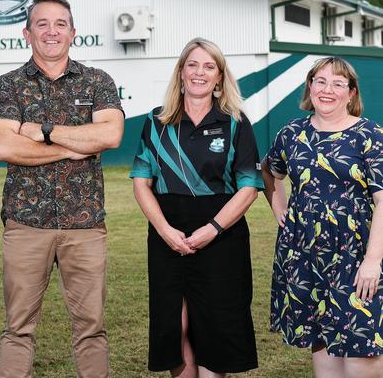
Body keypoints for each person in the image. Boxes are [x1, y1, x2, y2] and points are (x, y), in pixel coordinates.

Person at [0, 0, 124, 378]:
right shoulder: (9, 85)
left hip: (85, 226)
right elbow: (3, 146)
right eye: (42, 24)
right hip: (26, 224)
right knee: (18, 328)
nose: (51, 32)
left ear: (73, 33)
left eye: (60, 24)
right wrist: (74, 146)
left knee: (91, 328)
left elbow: (110, 136)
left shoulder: (97, 81)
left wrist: (44, 132)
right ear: (26, 33)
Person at [130, 37, 263, 377]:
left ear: (219, 77)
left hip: (221, 236)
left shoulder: (235, 122)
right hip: (167, 234)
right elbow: (141, 182)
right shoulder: (156, 122)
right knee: (174, 328)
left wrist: (213, 229)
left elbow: (249, 188)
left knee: (214, 330)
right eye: (193, 65)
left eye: (209, 66)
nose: (200, 73)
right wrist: (164, 231)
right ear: (181, 72)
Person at [262, 57, 383, 377]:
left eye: (338, 83)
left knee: (362, 349)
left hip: (356, 257)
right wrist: (280, 211)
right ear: (310, 87)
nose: (327, 89)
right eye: (320, 81)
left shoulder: (369, 135)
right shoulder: (292, 134)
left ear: (352, 93)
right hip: (305, 255)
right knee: (323, 345)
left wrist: (373, 260)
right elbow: (269, 171)